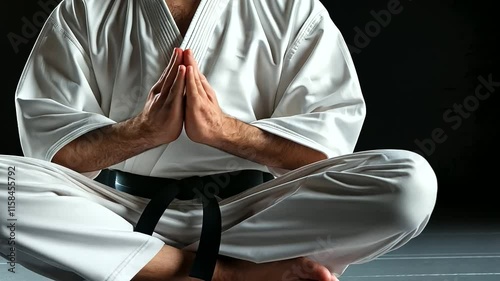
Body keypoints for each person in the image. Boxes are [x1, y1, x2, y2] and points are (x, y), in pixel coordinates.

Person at [0, 0, 438, 280]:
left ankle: (143, 268)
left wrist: (226, 132)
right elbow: (53, 152)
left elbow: (326, 151)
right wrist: (143, 133)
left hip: (256, 217)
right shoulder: (83, 9)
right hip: (119, 213)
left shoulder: (293, 10)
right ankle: (237, 276)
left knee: (410, 182)